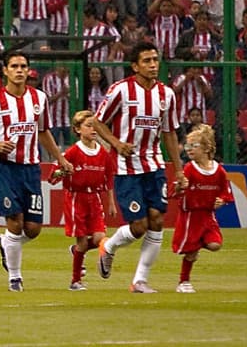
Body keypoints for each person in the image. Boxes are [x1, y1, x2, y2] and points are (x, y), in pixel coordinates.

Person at [0, 50, 73, 291]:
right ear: (5, 70)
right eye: (14, 66)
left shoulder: (39, 99)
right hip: (4, 168)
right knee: (15, 221)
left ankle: (6, 243)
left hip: (31, 169)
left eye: (23, 66)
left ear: (28, 70)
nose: (19, 70)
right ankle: (15, 278)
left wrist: (60, 159)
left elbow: (44, 131)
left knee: (33, 229)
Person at [93, 41, 186, 294]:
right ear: (135, 66)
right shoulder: (120, 91)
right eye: (147, 61)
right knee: (139, 225)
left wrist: (178, 170)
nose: (153, 65)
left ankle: (140, 281)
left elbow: (169, 132)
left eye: (155, 60)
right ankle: (109, 246)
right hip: (127, 167)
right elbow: (98, 122)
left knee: (157, 219)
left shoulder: (166, 94)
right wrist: (116, 143)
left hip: (154, 164)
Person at [56, 110, 116, 291]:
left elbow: (109, 177)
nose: (93, 129)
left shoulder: (102, 153)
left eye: (95, 126)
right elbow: (54, 174)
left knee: (100, 237)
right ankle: (75, 281)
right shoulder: (73, 152)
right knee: (83, 242)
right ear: (78, 129)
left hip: (95, 199)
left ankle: (76, 253)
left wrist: (111, 202)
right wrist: (63, 171)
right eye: (89, 126)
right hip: (76, 199)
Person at [172, 123, 232, 293]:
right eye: (188, 146)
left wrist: (222, 200)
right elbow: (175, 191)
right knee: (190, 253)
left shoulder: (218, 170)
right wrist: (179, 187)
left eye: (194, 146)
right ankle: (184, 282)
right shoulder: (189, 169)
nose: (189, 149)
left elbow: (226, 192)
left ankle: (197, 245)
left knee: (215, 245)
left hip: (207, 215)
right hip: (191, 216)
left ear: (206, 148)